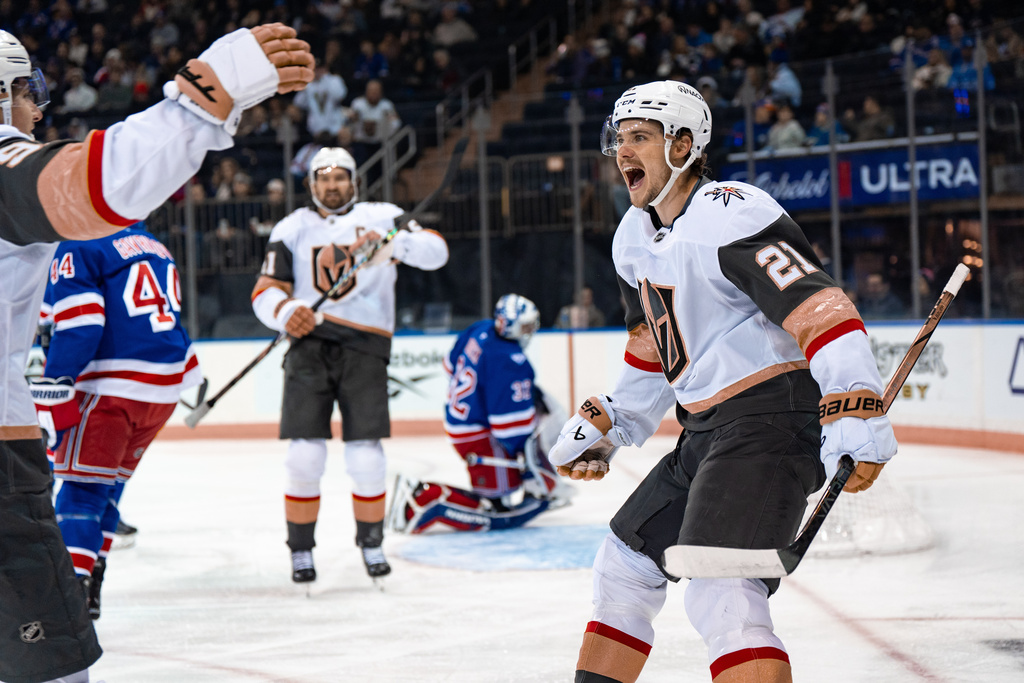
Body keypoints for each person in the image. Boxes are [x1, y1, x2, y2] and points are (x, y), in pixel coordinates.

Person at [546, 80, 897, 682]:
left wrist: (853, 405)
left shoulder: (732, 212)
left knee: (722, 593)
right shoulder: (633, 237)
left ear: (683, 144)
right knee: (623, 567)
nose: (623, 152)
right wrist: (619, 418)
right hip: (706, 432)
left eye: (641, 138)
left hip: (770, 423)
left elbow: (820, 309)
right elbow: (654, 345)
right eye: (619, 139)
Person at [0, 23, 312, 683]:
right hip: (116, 402)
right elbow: (91, 186)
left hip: (115, 389)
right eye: (27, 90)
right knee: (53, 662)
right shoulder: (127, 237)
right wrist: (197, 102)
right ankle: (85, 576)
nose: (36, 109)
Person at [250, 147, 449, 585]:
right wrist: (285, 313)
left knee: (366, 456)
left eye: (341, 177)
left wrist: (391, 245)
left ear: (354, 181)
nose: (333, 185)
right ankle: (300, 550)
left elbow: (436, 252)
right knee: (304, 455)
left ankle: (371, 542)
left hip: (366, 347)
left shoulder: (384, 215)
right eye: (324, 178)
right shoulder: (292, 228)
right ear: (311, 185)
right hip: (309, 344)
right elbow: (266, 290)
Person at [36, 222, 202, 621]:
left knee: (80, 491)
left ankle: (71, 602)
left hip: (111, 388)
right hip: (160, 391)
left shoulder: (79, 241)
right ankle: (92, 581)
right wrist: (193, 375)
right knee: (108, 491)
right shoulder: (153, 245)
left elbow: (81, 323)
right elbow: (167, 322)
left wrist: (56, 381)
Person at [387, 294, 572, 534]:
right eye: (525, 326)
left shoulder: (480, 328)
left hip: (459, 422)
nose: (529, 332)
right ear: (510, 325)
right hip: (477, 435)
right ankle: (424, 501)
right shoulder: (509, 360)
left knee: (501, 491)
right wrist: (527, 459)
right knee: (497, 505)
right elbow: (510, 427)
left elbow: (449, 366)